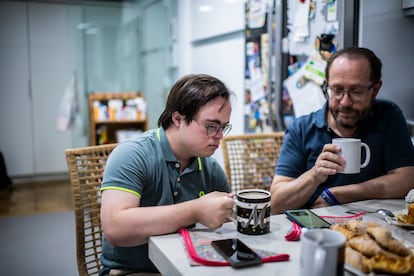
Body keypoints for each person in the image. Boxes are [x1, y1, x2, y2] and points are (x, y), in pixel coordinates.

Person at [99, 74, 236, 275]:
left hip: (190, 267)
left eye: (223, 127)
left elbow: (226, 229)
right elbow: (116, 229)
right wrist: (195, 211)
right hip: (131, 270)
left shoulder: (211, 169)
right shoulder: (132, 155)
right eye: (211, 126)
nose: (219, 136)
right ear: (178, 118)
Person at [270, 47, 414, 214]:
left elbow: (408, 179)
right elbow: (276, 204)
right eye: (337, 90)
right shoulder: (301, 129)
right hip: (314, 231)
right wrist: (314, 175)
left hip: (372, 224)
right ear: (327, 86)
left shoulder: (388, 116)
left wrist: (337, 194)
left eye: (356, 91)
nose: (345, 102)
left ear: (375, 90)